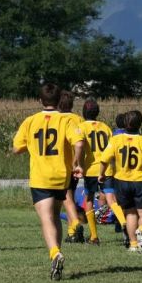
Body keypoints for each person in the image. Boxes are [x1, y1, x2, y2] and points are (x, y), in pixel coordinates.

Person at [13, 83, 85, 281]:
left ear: (40, 100)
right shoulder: (66, 121)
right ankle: (57, 253)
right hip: (61, 176)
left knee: (46, 217)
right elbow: (78, 142)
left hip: (40, 176)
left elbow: (17, 147)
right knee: (55, 214)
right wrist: (76, 163)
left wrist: (29, 146)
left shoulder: (30, 121)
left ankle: (55, 252)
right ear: (59, 100)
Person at [98, 110, 142, 253]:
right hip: (141, 181)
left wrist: (101, 174)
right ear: (140, 124)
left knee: (130, 213)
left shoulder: (115, 140)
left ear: (125, 124)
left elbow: (104, 159)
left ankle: (133, 244)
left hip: (122, 181)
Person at [78, 98, 128, 246]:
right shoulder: (106, 127)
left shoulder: (81, 127)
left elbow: (79, 147)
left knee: (88, 200)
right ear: (97, 112)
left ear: (83, 112)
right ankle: (124, 222)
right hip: (107, 168)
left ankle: (94, 236)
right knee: (112, 200)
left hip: (91, 169)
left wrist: (78, 164)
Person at [58, 90, 86, 243]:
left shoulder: (58, 119)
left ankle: (75, 225)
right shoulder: (79, 119)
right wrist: (79, 162)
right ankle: (71, 233)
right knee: (70, 196)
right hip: (75, 164)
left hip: (62, 164)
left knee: (66, 198)